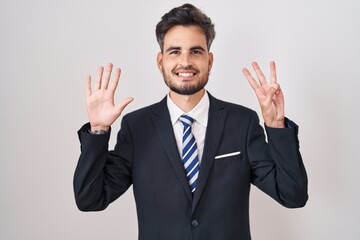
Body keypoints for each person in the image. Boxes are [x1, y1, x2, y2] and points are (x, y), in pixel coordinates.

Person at [73, 3, 308, 240]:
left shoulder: (242, 122)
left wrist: (276, 126)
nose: (185, 62)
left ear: (210, 60)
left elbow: (292, 195)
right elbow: (89, 199)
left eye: (196, 51)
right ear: (160, 60)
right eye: (175, 51)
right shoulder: (137, 127)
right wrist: (99, 131)